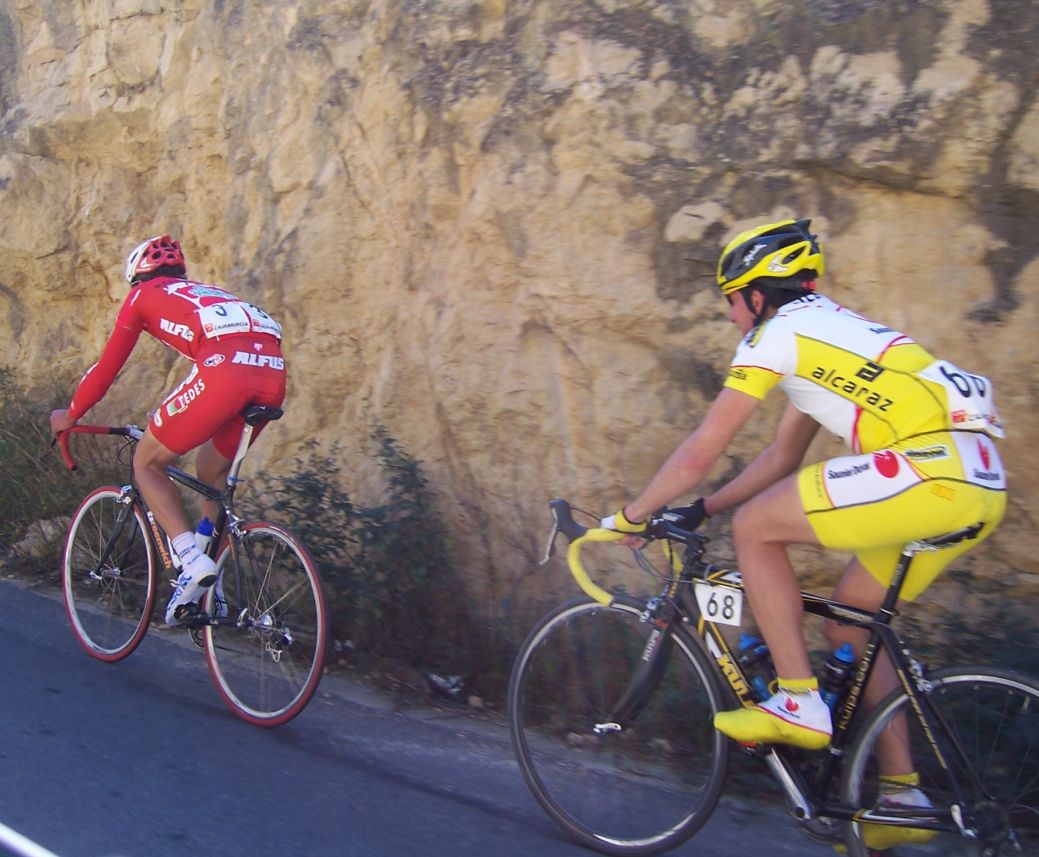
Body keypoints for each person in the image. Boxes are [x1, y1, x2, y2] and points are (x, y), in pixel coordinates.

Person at [601, 218, 1006, 850]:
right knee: (850, 623)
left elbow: (704, 446)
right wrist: (701, 509)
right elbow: (781, 457)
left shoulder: (777, 335)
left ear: (756, 295)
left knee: (757, 528)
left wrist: (633, 514)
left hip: (929, 472)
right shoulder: (834, 332)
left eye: (732, 301)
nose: (731, 317)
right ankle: (902, 796)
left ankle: (797, 701)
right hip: (978, 481)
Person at [50, 235, 287, 625]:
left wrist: (72, 414)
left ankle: (191, 561)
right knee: (211, 471)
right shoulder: (210, 293)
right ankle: (210, 584)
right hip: (273, 373)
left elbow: (106, 369)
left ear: (137, 276)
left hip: (225, 370)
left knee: (147, 463)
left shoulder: (143, 295)